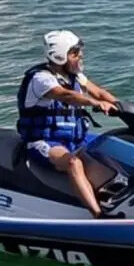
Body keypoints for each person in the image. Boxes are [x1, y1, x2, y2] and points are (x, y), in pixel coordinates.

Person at [16, 30, 119, 218]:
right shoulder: (41, 79)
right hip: (44, 141)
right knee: (74, 163)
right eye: (75, 52)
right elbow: (66, 95)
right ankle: (98, 215)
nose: (81, 55)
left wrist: (122, 107)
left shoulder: (76, 76)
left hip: (73, 141)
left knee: (110, 154)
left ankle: (122, 202)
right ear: (60, 56)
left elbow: (99, 92)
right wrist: (95, 104)